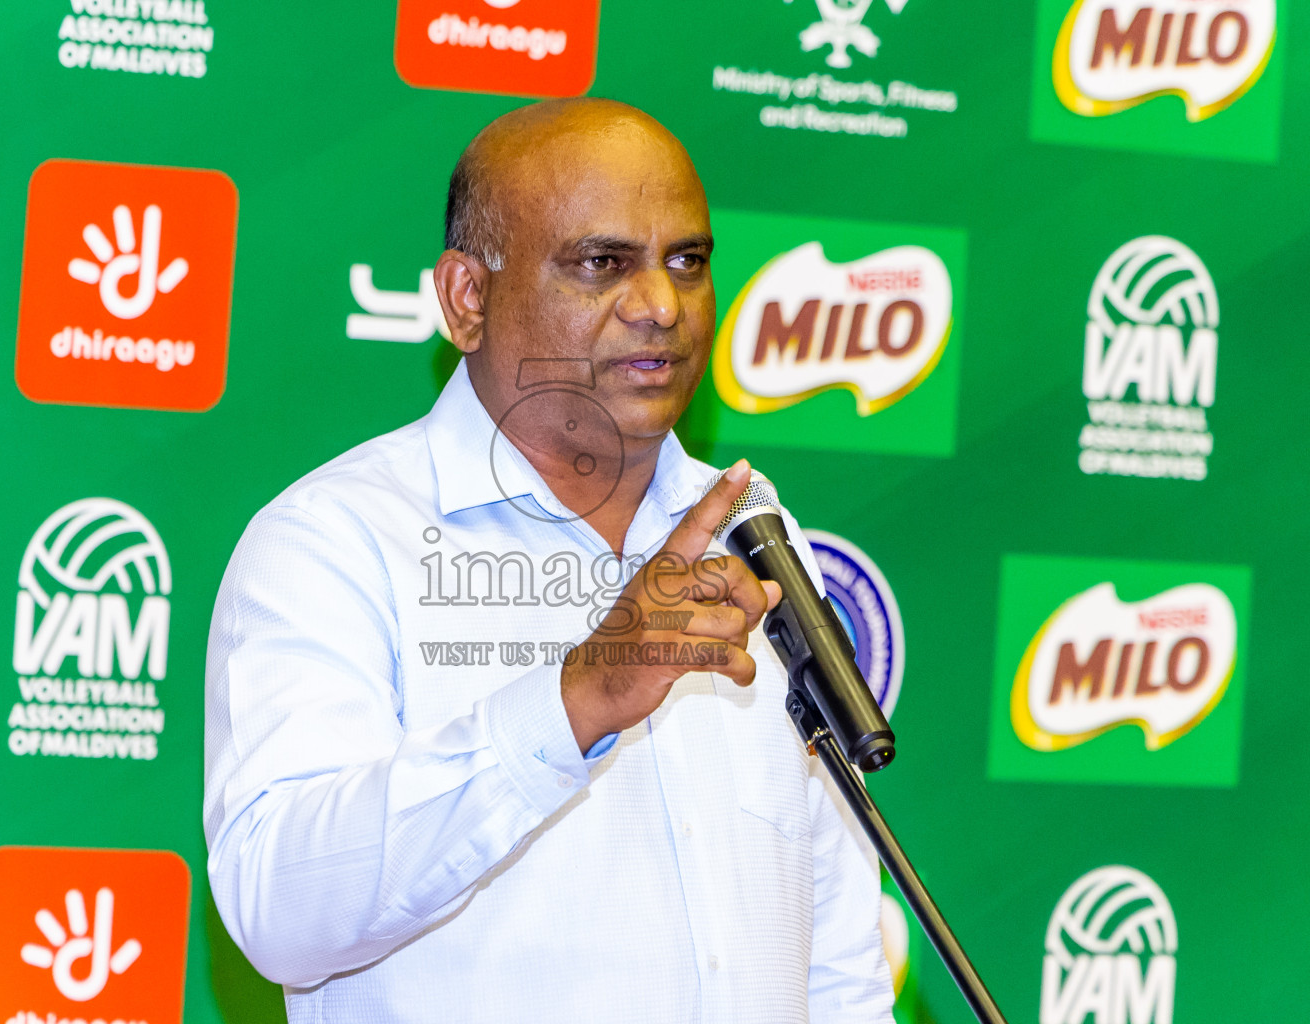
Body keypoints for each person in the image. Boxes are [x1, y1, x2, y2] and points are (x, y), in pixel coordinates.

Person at [204, 98, 894, 1023]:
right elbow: (277, 905)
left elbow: (836, 951)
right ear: (466, 299)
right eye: (601, 263)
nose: (660, 306)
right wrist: (576, 701)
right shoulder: (336, 542)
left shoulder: (752, 538)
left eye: (686, 261)